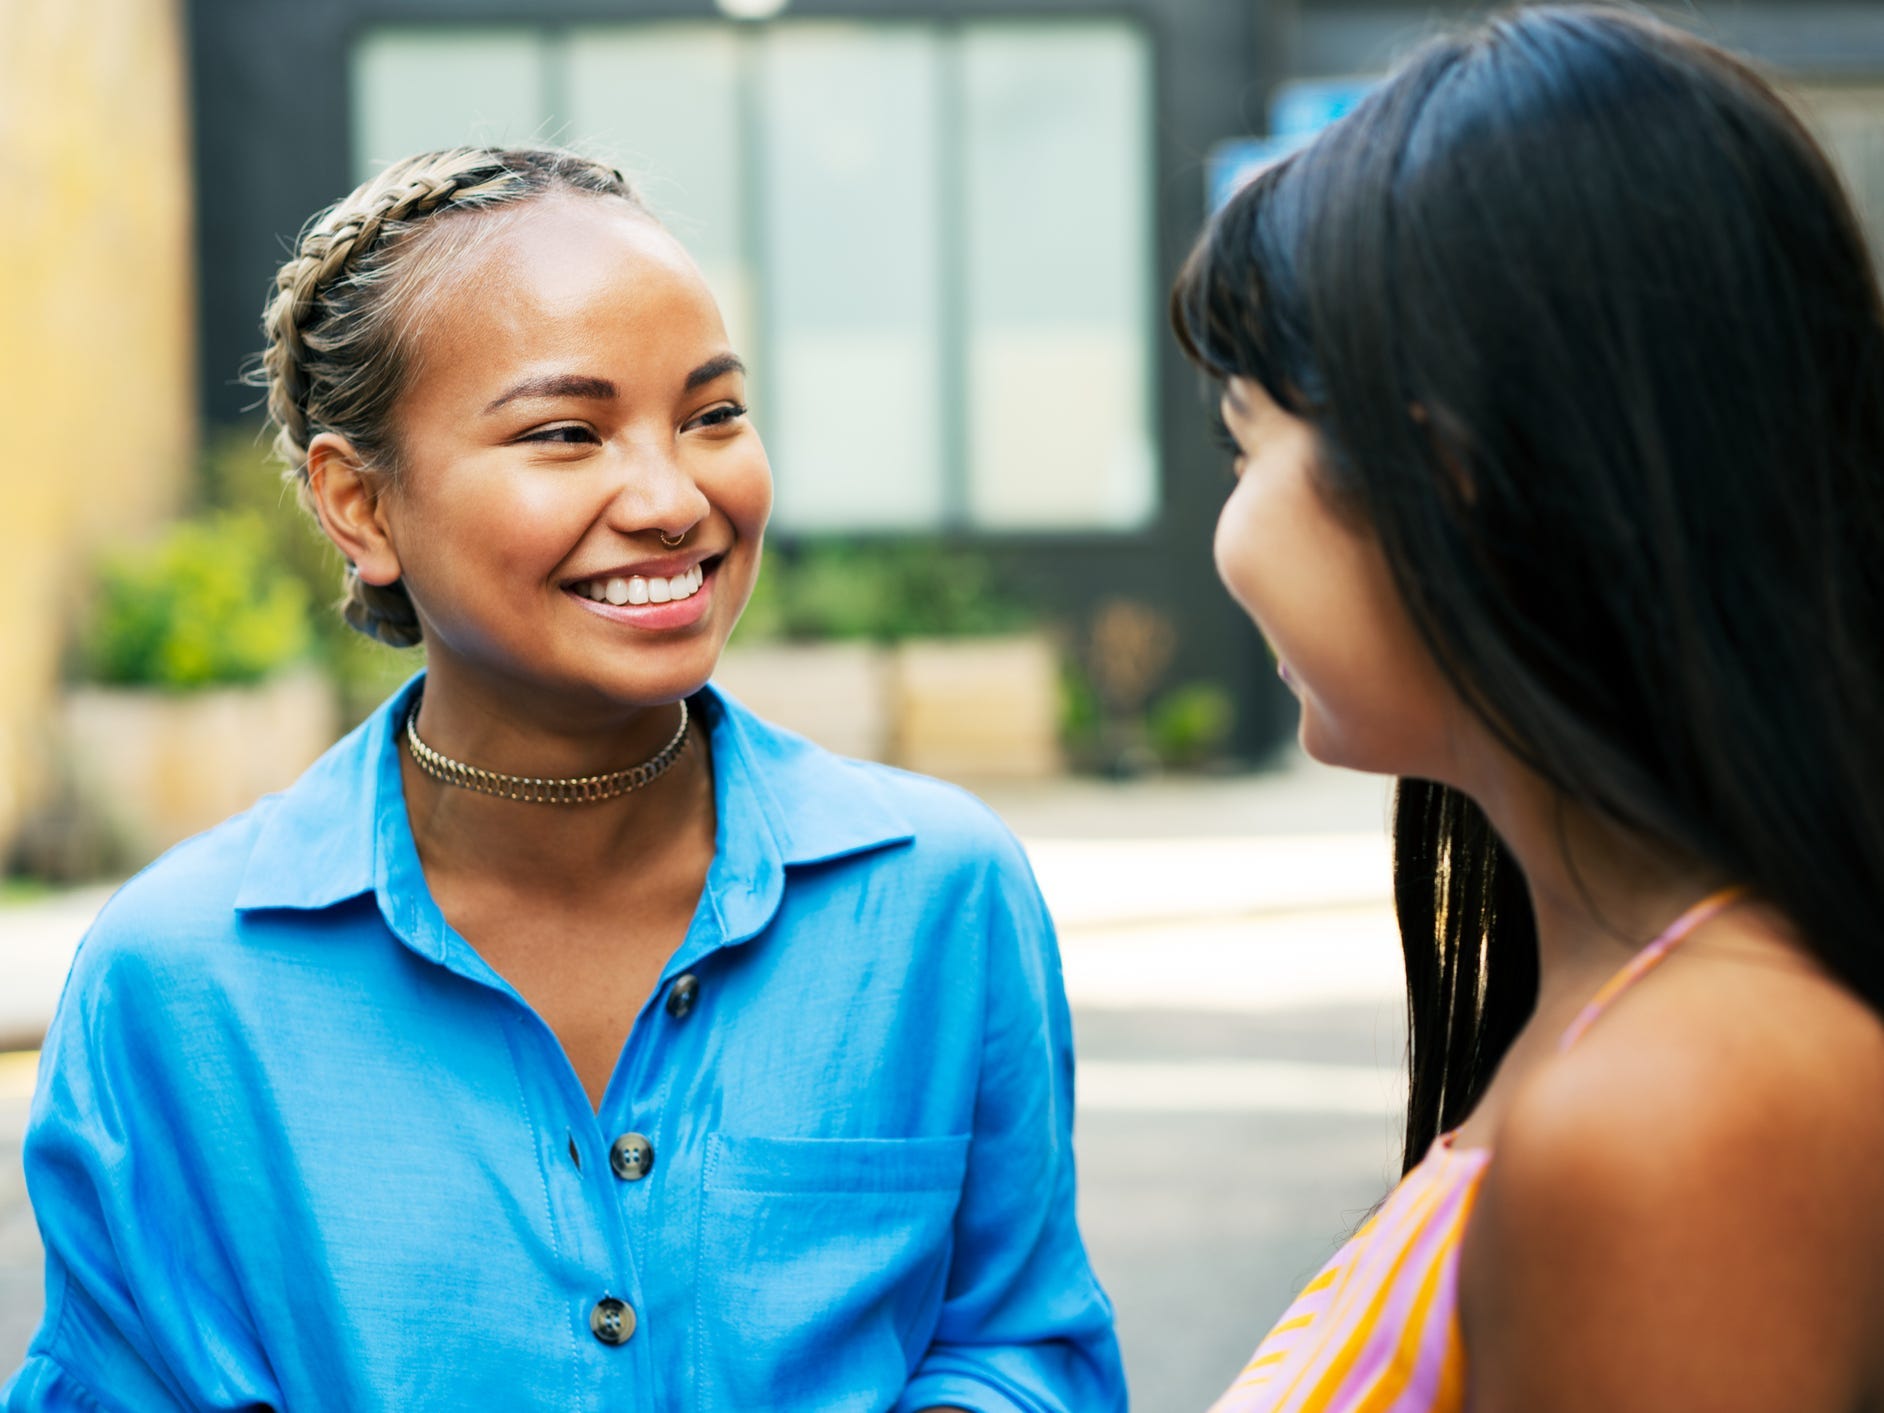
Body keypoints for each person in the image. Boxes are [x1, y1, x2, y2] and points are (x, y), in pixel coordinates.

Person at [3, 147, 1124, 1412]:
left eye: (712, 415)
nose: (670, 496)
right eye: (565, 433)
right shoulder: (178, 981)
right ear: (359, 505)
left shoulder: (937, 899)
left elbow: (1020, 1345)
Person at [1174, 6, 1884, 1410]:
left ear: (1448, 477)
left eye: (1247, 441)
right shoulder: (1651, 1027)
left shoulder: (1687, 1102)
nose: (1229, 527)